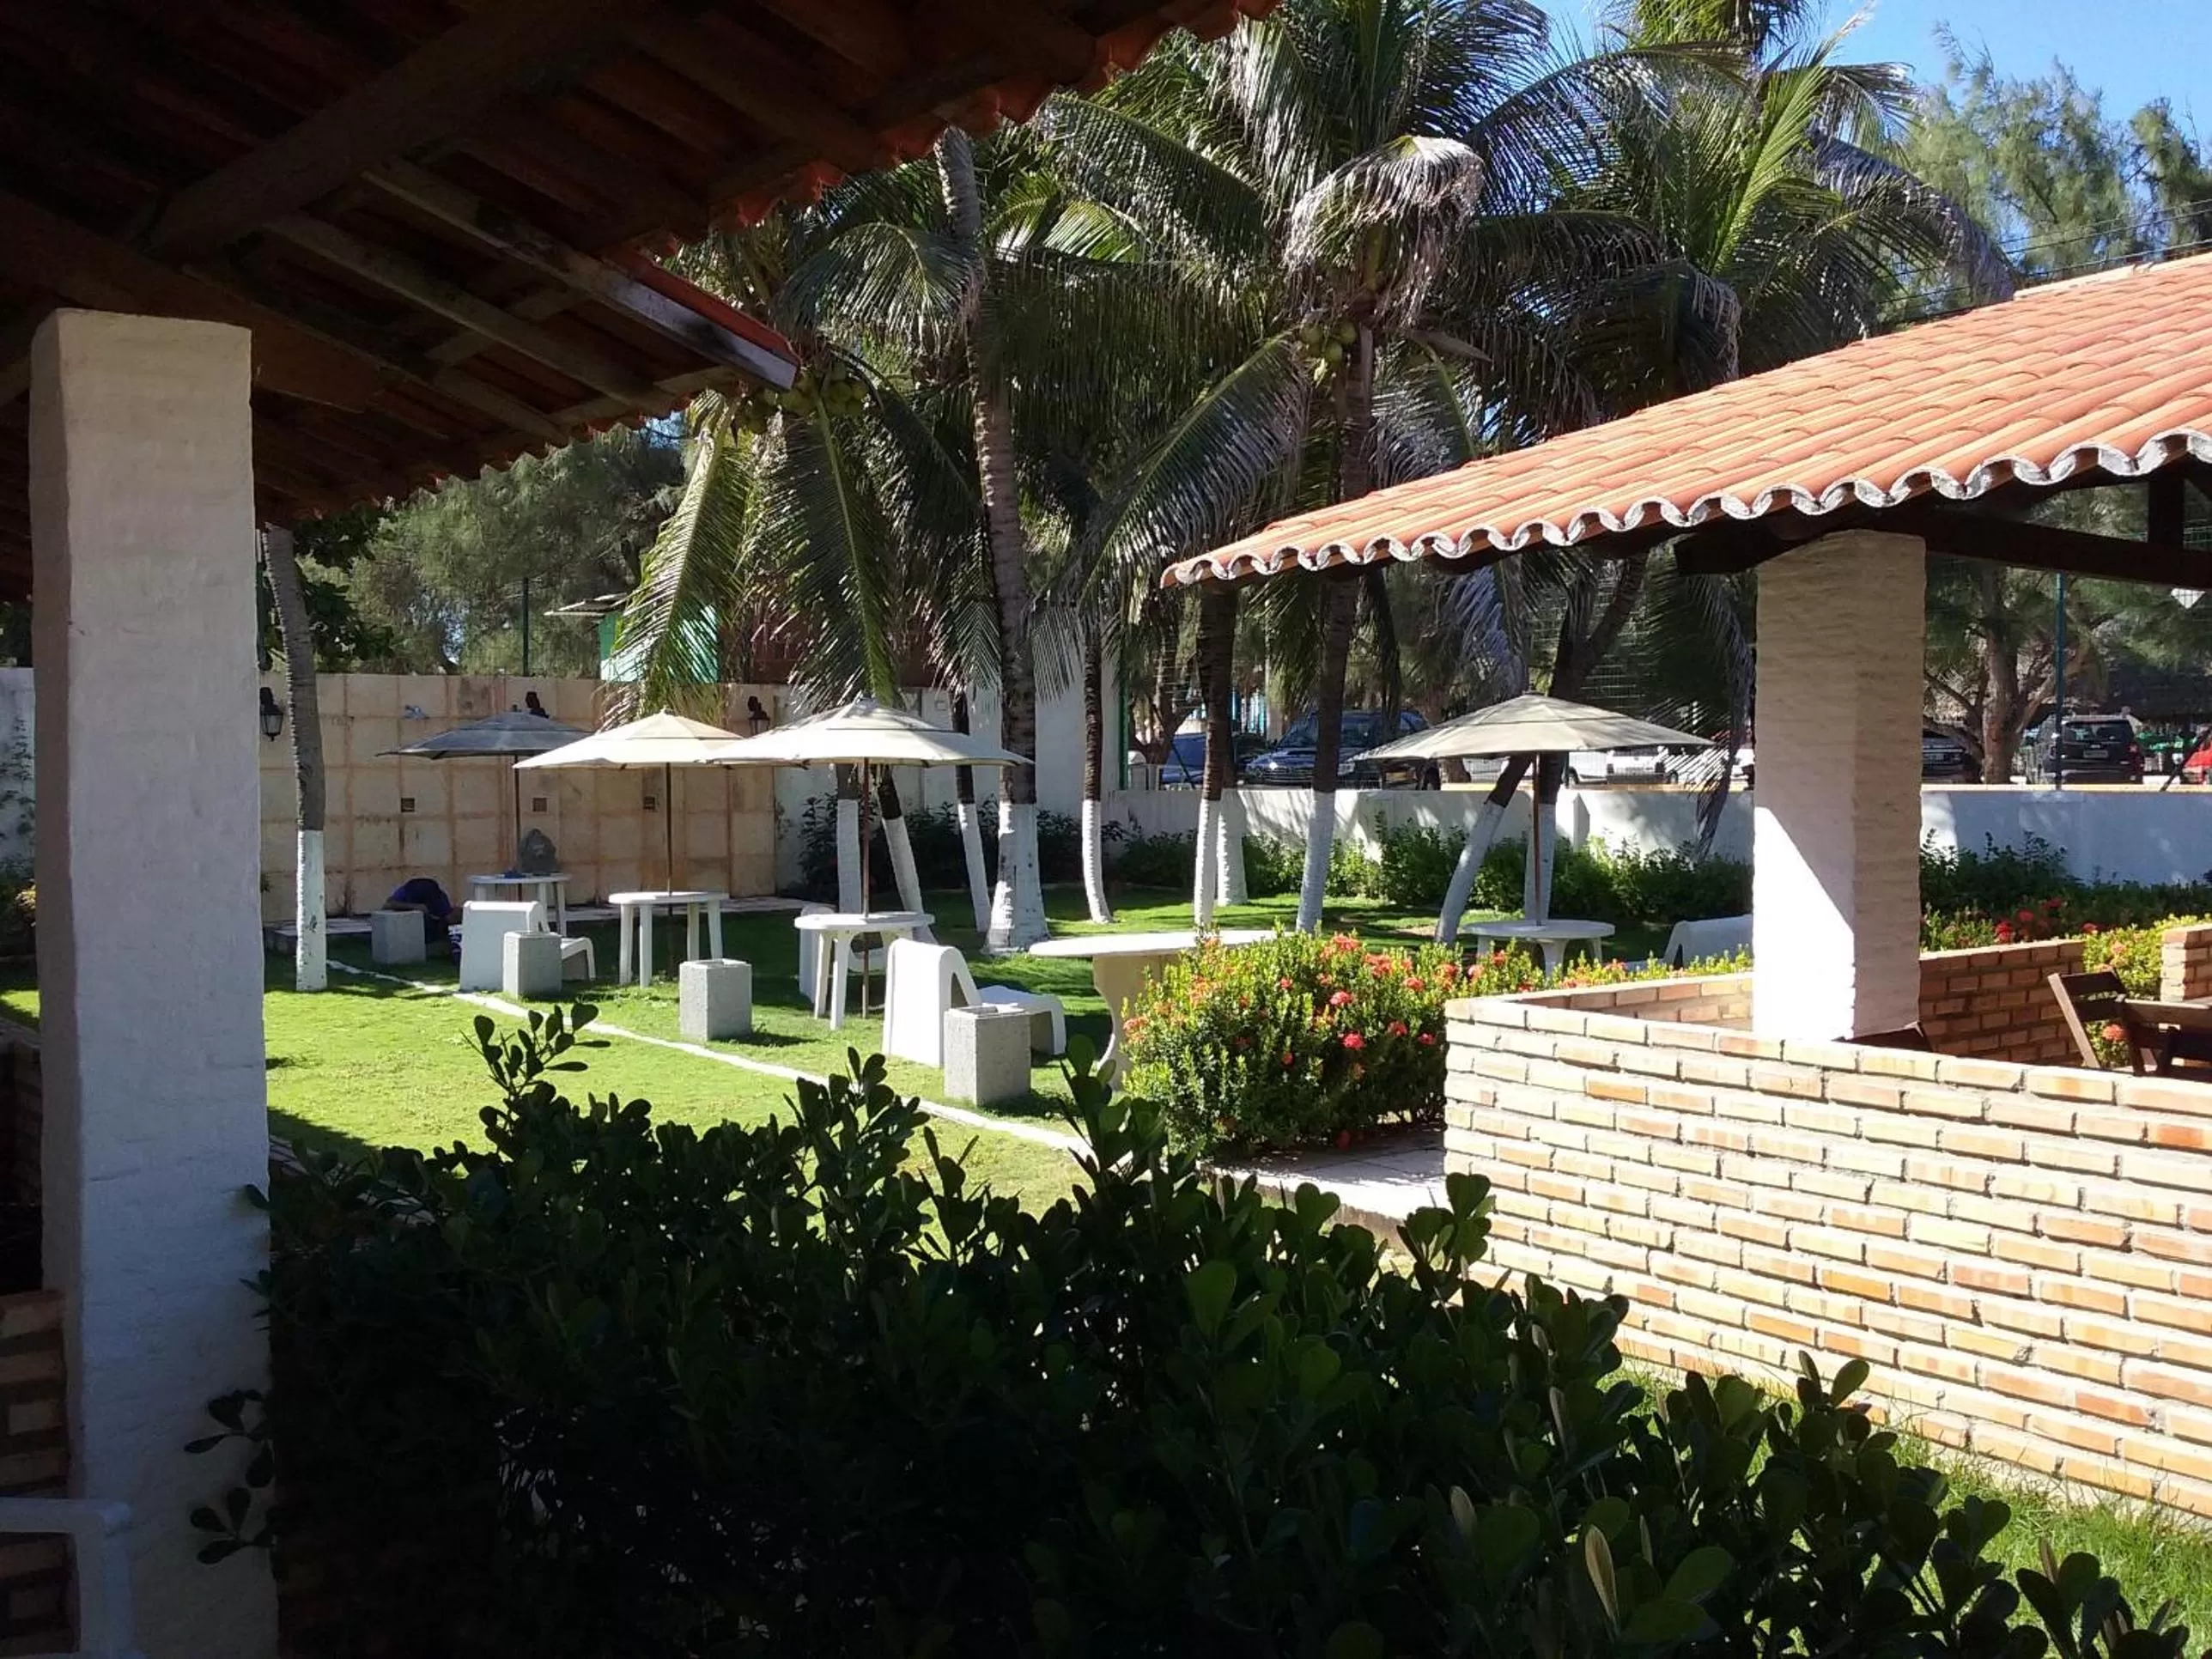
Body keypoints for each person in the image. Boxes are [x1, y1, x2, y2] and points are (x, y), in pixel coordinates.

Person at [386, 877, 457, 951]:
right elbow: (388, 905)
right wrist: (415, 907)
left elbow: (447, 917)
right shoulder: (406, 891)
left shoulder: (440, 898)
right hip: (406, 928)